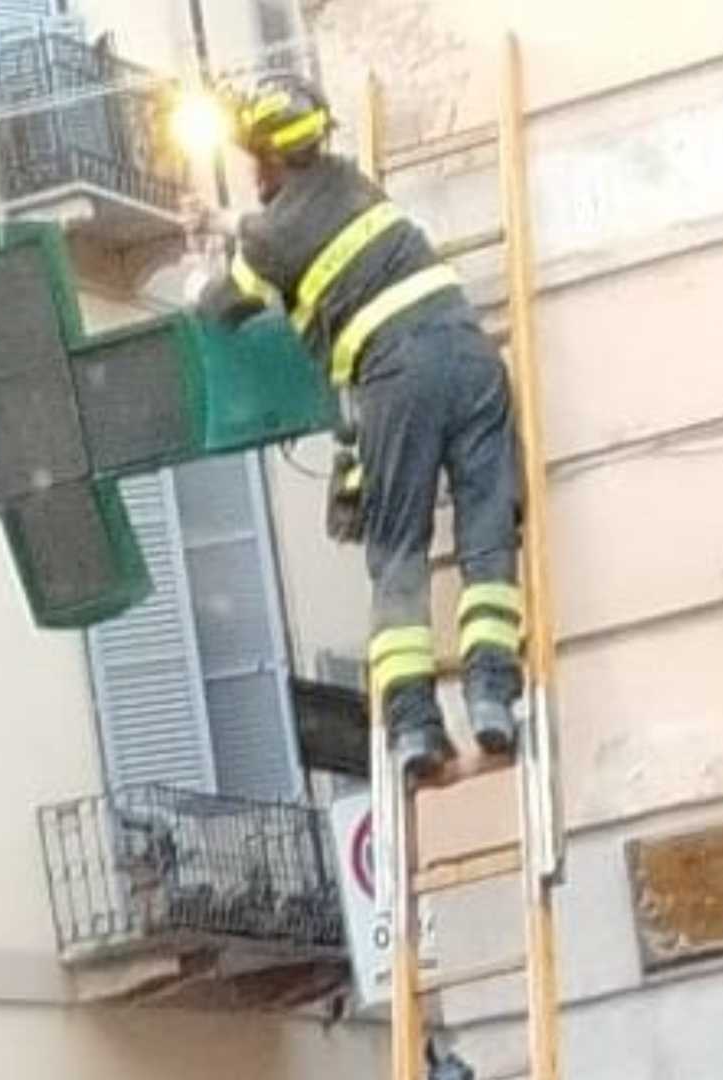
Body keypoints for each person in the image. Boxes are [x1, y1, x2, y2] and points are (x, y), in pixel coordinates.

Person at [190, 73, 525, 784]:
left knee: (399, 552)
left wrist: (202, 265)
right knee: (488, 533)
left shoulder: (271, 239)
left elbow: (220, 306)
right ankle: (493, 694)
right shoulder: (353, 185)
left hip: (400, 381)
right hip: (472, 357)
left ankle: (413, 727)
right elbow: (293, 227)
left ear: (267, 159)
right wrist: (230, 224)